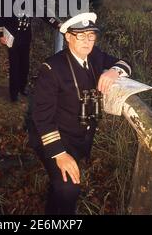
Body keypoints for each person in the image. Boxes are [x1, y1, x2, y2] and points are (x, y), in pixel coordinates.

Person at [28, 12, 132, 215]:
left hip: (81, 136)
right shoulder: (51, 68)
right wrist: (59, 154)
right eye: (81, 36)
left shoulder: (95, 56)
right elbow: (42, 118)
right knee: (68, 189)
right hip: (55, 137)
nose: (87, 41)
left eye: (91, 36)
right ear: (68, 37)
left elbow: (125, 63)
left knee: (59, 186)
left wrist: (114, 72)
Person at [0, 0, 60, 102]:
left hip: (26, 37)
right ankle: (13, 93)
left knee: (24, 64)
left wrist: (57, 24)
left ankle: (22, 87)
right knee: (14, 65)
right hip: (11, 37)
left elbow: (44, 14)